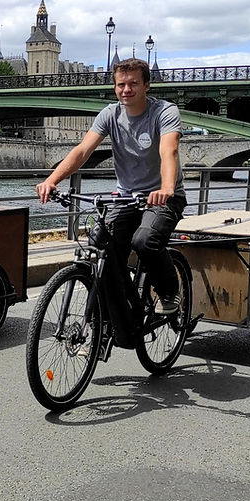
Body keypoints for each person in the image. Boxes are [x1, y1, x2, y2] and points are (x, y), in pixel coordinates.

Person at [36, 57, 186, 336]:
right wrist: (52, 180)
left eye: (133, 84)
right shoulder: (110, 114)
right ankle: (124, 315)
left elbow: (169, 150)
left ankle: (168, 292)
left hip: (164, 196)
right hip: (127, 197)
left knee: (145, 240)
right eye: (120, 85)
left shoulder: (164, 112)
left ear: (146, 86)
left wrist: (166, 188)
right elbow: (82, 151)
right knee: (98, 245)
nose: (126, 90)